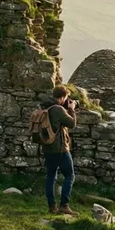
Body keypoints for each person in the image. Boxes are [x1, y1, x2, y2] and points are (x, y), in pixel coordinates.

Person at [42, 85, 77, 215]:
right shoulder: (58, 109)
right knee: (70, 175)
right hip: (60, 149)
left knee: (51, 176)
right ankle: (64, 205)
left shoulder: (46, 107)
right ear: (62, 97)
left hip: (47, 148)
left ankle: (52, 206)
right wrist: (71, 109)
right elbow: (72, 124)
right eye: (66, 98)